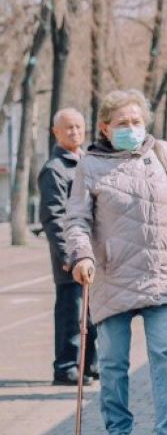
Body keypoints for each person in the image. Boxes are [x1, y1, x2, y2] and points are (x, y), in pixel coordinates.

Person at [64, 89, 167, 435]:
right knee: (113, 363)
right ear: (105, 127)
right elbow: (76, 219)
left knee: (164, 355)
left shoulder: (162, 153)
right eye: (122, 123)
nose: (131, 128)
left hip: (161, 273)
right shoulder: (90, 165)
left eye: (136, 121)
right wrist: (81, 255)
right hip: (112, 275)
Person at [39, 108, 97, 386]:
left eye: (78, 126)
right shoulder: (55, 169)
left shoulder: (88, 161)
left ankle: (90, 364)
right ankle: (65, 367)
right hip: (71, 259)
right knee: (71, 313)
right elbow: (53, 218)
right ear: (56, 133)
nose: (74, 132)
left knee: (92, 313)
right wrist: (69, 256)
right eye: (68, 128)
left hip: (93, 254)